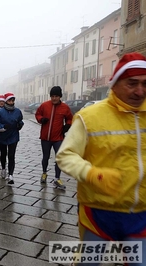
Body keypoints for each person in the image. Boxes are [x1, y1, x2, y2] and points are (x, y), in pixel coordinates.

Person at [56, 52, 146, 266]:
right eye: (132, 83)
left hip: (140, 214)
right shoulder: (90, 117)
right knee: (89, 263)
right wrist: (92, 173)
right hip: (98, 212)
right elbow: (65, 155)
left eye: (145, 83)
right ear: (115, 84)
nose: (140, 91)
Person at [35, 86, 72, 190]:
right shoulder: (44, 105)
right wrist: (41, 119)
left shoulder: (65, 107)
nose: (54, 98)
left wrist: (67, 126)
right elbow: (37, 114)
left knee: (59, 158)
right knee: (45, 157)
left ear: (60, 96)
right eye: (52, 96)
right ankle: (44, 173)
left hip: (58, 137)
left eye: (56, 96)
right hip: (45, 137)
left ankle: (57, 178)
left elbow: (70, 118)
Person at [0, 93, 24, 185]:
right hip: (2, 136)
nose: (11, 102)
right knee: (3, 154)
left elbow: (20, 120)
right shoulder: (0, 112)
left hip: (13, 136)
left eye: (13, 100)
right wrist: (4, 126)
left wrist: (20, 125)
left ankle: (10, 175)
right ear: (6, 101)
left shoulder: (17, 111)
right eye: (9, 100)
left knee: (11, 155)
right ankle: (3, 168)